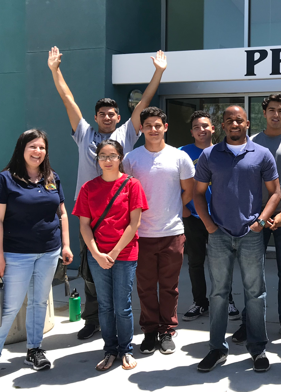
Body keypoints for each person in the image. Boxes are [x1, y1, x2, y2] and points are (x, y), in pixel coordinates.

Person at [48, 46, 167, 340]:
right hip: (89, 211)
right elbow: (67, 99)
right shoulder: (84, 133)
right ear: (96, 116)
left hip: (118, 210)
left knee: (120, 268)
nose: (108, 117)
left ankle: (118, 321)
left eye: (112, 113)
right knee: (90, 270)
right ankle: (93, 319)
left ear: (118, 116)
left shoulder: (126, 133)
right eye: (102, 113)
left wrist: (159, 72)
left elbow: (146, 101)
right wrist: (55, 70)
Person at [0, 130, 73, 385]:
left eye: (42, 147)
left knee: (39, 303)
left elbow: (62, 214)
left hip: (49, 252)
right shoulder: (5, 180)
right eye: (33, 146)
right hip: (16, 254)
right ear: (22, 148)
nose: (38, 152)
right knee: (9, 307)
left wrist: (65, 245)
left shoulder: (52, 178)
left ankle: (34, 350)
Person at [194, 105, 280, 373]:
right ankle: (217, 349)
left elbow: (275, 193)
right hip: (219, 234)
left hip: (251, 235)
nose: (234, 123)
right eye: (229, 120)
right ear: (223, 124)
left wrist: (261, 221)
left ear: (247, 123)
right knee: (218, 294)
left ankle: (258, 349)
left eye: (239, 120)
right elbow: (197, 194)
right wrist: (208, 224)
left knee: (256, 294)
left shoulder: (261, 154)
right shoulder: (209, 155)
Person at [123, 107, 195, 355]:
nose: (153, 129)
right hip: (140, 235)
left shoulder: (179, 157)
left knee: (169, 286)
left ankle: (167, 330)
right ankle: (150, 331)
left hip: (172, 232)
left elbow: (188, 191)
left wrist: (174, 207)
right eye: (148, 125)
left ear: (166, 127)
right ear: (141, 129)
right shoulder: (131, 159)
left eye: (158, 125)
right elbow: (126, 195)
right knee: (144, 287)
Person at [73, 140, 148, 371]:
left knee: (122, 306)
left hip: (124, 254)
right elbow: (84, 225)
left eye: (112, 155)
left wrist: (113, 253)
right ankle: (110, 350)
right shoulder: (88, 188)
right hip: (98, 255)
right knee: (104, 305)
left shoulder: (132, 185)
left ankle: (126, 350)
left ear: (120, 158)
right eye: (103, 155)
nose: (107, 160)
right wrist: (96, 253)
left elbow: (134, 224)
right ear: (97, 159)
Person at [232, 94, 281, 344]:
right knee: (252, 273)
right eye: (271, 110)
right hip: (255, 219)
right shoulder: (250, 143)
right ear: (263, 113)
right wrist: (259, 217)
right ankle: (248, 322)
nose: (276, 114)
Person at [180, 111, 239, 322]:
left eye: (205, 126)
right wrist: (183, 208)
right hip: (193, 216)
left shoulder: (225, 151)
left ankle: (227, 300)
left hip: (220, 218)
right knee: (195, 262)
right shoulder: (182, 153)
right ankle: (200, 302)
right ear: (192, 131)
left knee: (222, 263)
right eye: (196, 127)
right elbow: (174, 182)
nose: (201, 130)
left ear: (213, 128)